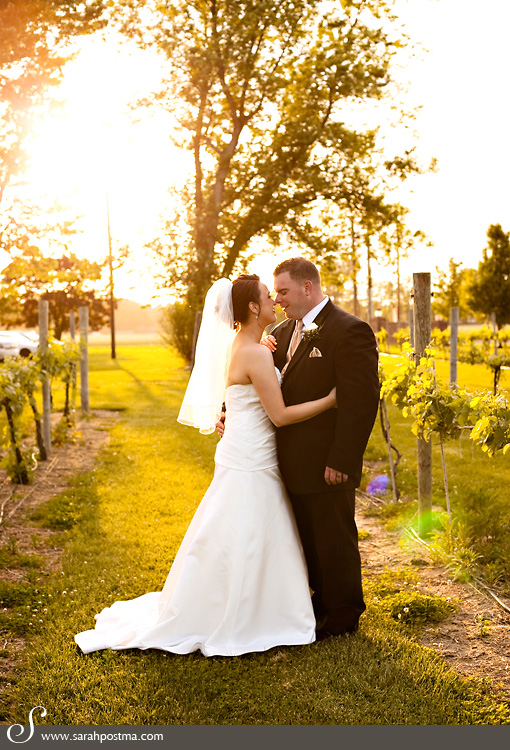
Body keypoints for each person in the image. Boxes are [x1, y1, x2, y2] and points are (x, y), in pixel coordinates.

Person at [74, 274, 336, 658]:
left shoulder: (243, 345)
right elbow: (278, 415)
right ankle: (254, 612)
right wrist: (331, 400)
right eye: (267, 297)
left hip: (244, 450)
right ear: (251, 307)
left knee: (236, 528)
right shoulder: (256, 352)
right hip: (251, 457)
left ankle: (241, 603)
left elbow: (240, 393)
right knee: (249, 527)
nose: (274, 303)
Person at [268, 257, 380, 639]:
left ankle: (344, 612)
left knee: (334, 537)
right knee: (306, 536)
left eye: (282, 291)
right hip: (288, 461)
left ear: (307, 288)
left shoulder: (350, 330)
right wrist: (225, 412)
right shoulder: (281, 333)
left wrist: (343, 459)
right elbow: (261, 384)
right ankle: (318, 600)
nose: (277, 298)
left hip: (328, 460)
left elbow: (361, 401)